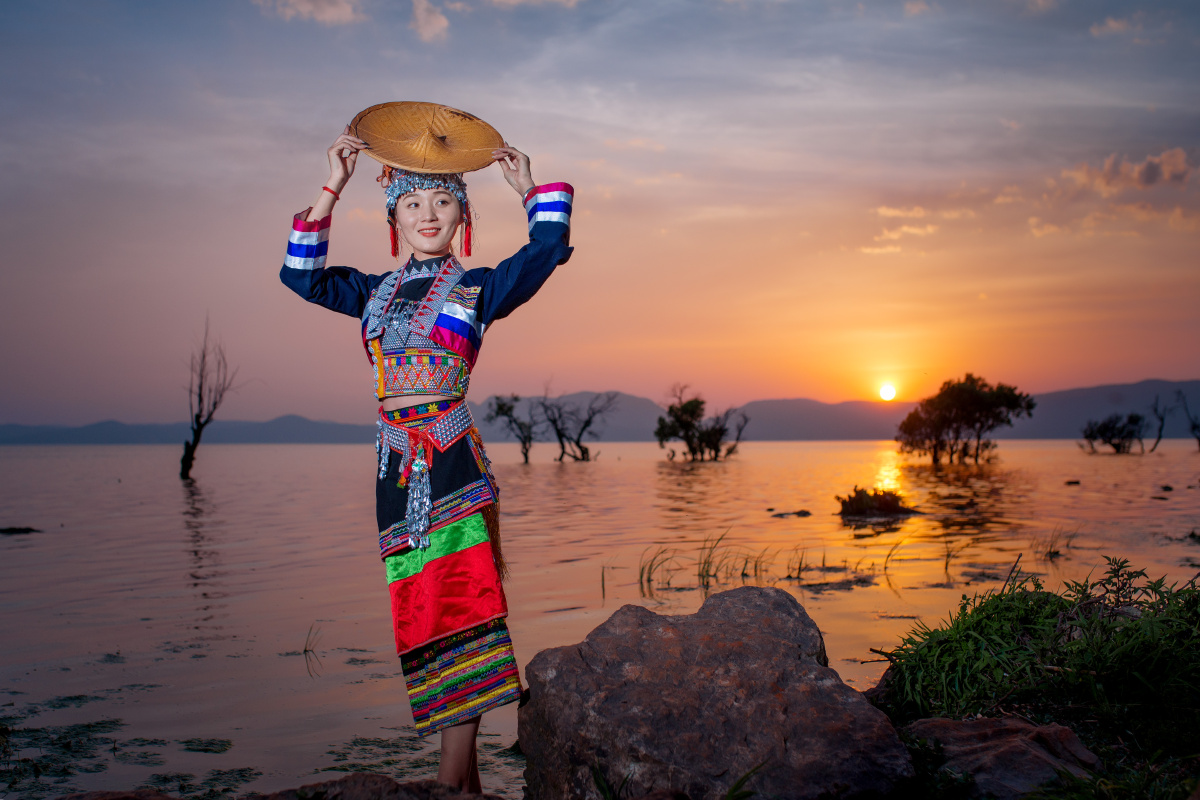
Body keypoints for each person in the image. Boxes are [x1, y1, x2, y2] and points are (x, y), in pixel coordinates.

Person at [279, 120, 574, 792]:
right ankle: (466, 787)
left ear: (463, 215)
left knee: (460, 607)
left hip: (451, 468)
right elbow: (300, 277)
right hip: (392, 475)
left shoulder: (477, 291)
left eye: (443, 203)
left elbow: (549, 247)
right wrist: (332, 186)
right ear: (393, 219)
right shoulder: (369, 293)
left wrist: (529, 188)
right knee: (420, 611)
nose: (428, 215)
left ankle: (447, 786)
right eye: (412, 204)